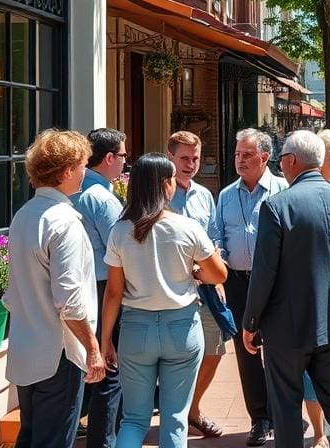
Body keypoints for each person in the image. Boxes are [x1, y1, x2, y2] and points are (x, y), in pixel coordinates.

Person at [242, 130, 330, 448]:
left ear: (289, 161)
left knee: (286, 406)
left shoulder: (277, 206)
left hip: (286, 328)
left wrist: (251, 322)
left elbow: (264, 273)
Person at [101, 153, 228, 448]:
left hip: (135, 329)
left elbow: (113, 292)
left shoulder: (120, 230)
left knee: (134, 419)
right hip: (181, 327)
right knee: (174, 418)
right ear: (164, 184)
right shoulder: (186, 227)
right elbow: (218, 274)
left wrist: (106, 339)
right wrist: (195, 270)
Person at [5, 130, 106, 448]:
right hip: (59, 353)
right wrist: (92, 349)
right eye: (81, 166)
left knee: (31, 438)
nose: (84, 172)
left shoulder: (23, 216)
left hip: (26, 348)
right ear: (66, 171)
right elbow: (70, 300)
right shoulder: (63, 222)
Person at [213, 129, 287, 446]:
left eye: (246, 154)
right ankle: (259, 418)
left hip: (275, 281)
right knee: (246, 352)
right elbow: (217, 235)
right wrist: (218, 257)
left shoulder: (283, 190)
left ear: (264, 157)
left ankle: (282, 413)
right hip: (238, 281)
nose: (239, 160)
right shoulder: (227, 195)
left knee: (278, 349)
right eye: (237, 154)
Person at [166, 131, 224, 439]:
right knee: (177, 354)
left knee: (214, 351)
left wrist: (215, 270)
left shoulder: (204, 195)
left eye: (196, 158)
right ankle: (177, 412)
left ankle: (193, 408)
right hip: (171, 289)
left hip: (205, 288)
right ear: (170, 157)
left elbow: (214, 238)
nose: (190, 164)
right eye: (184, 158)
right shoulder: (159, 195)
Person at [72, 128, 127, 448]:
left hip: (79, 290)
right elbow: (120, 250)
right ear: (108, 159)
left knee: (87, 366)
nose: (124, 162)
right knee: (110, 368)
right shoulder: (101, 198)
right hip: (105, 289)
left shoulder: (73, 192)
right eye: (122, 156)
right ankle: (104, 441)